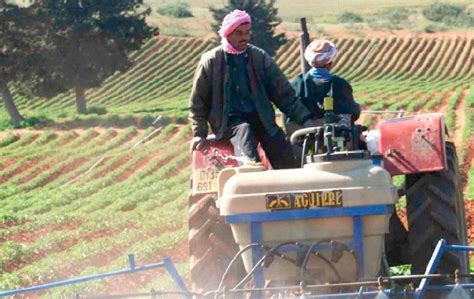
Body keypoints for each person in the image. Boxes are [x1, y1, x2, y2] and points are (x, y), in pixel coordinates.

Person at [189, 10, 318, 169]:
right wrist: (199, 134)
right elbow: (198, 103)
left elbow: (284, 94)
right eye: (239, 33)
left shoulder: (259, 57)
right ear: (228, 33)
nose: (245, 37)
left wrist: (305, 119)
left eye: (247, 33)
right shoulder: (211, 61)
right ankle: (251, 175)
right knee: (245, 136)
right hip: (229, 122)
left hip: (261, 116)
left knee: (283, 152)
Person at [285, 39, 361, 137]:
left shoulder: (297, 84)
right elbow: (352, 112)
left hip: (301, 142)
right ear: (330, 62)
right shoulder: (340, 85)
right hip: (338, 142)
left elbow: (287, 116)